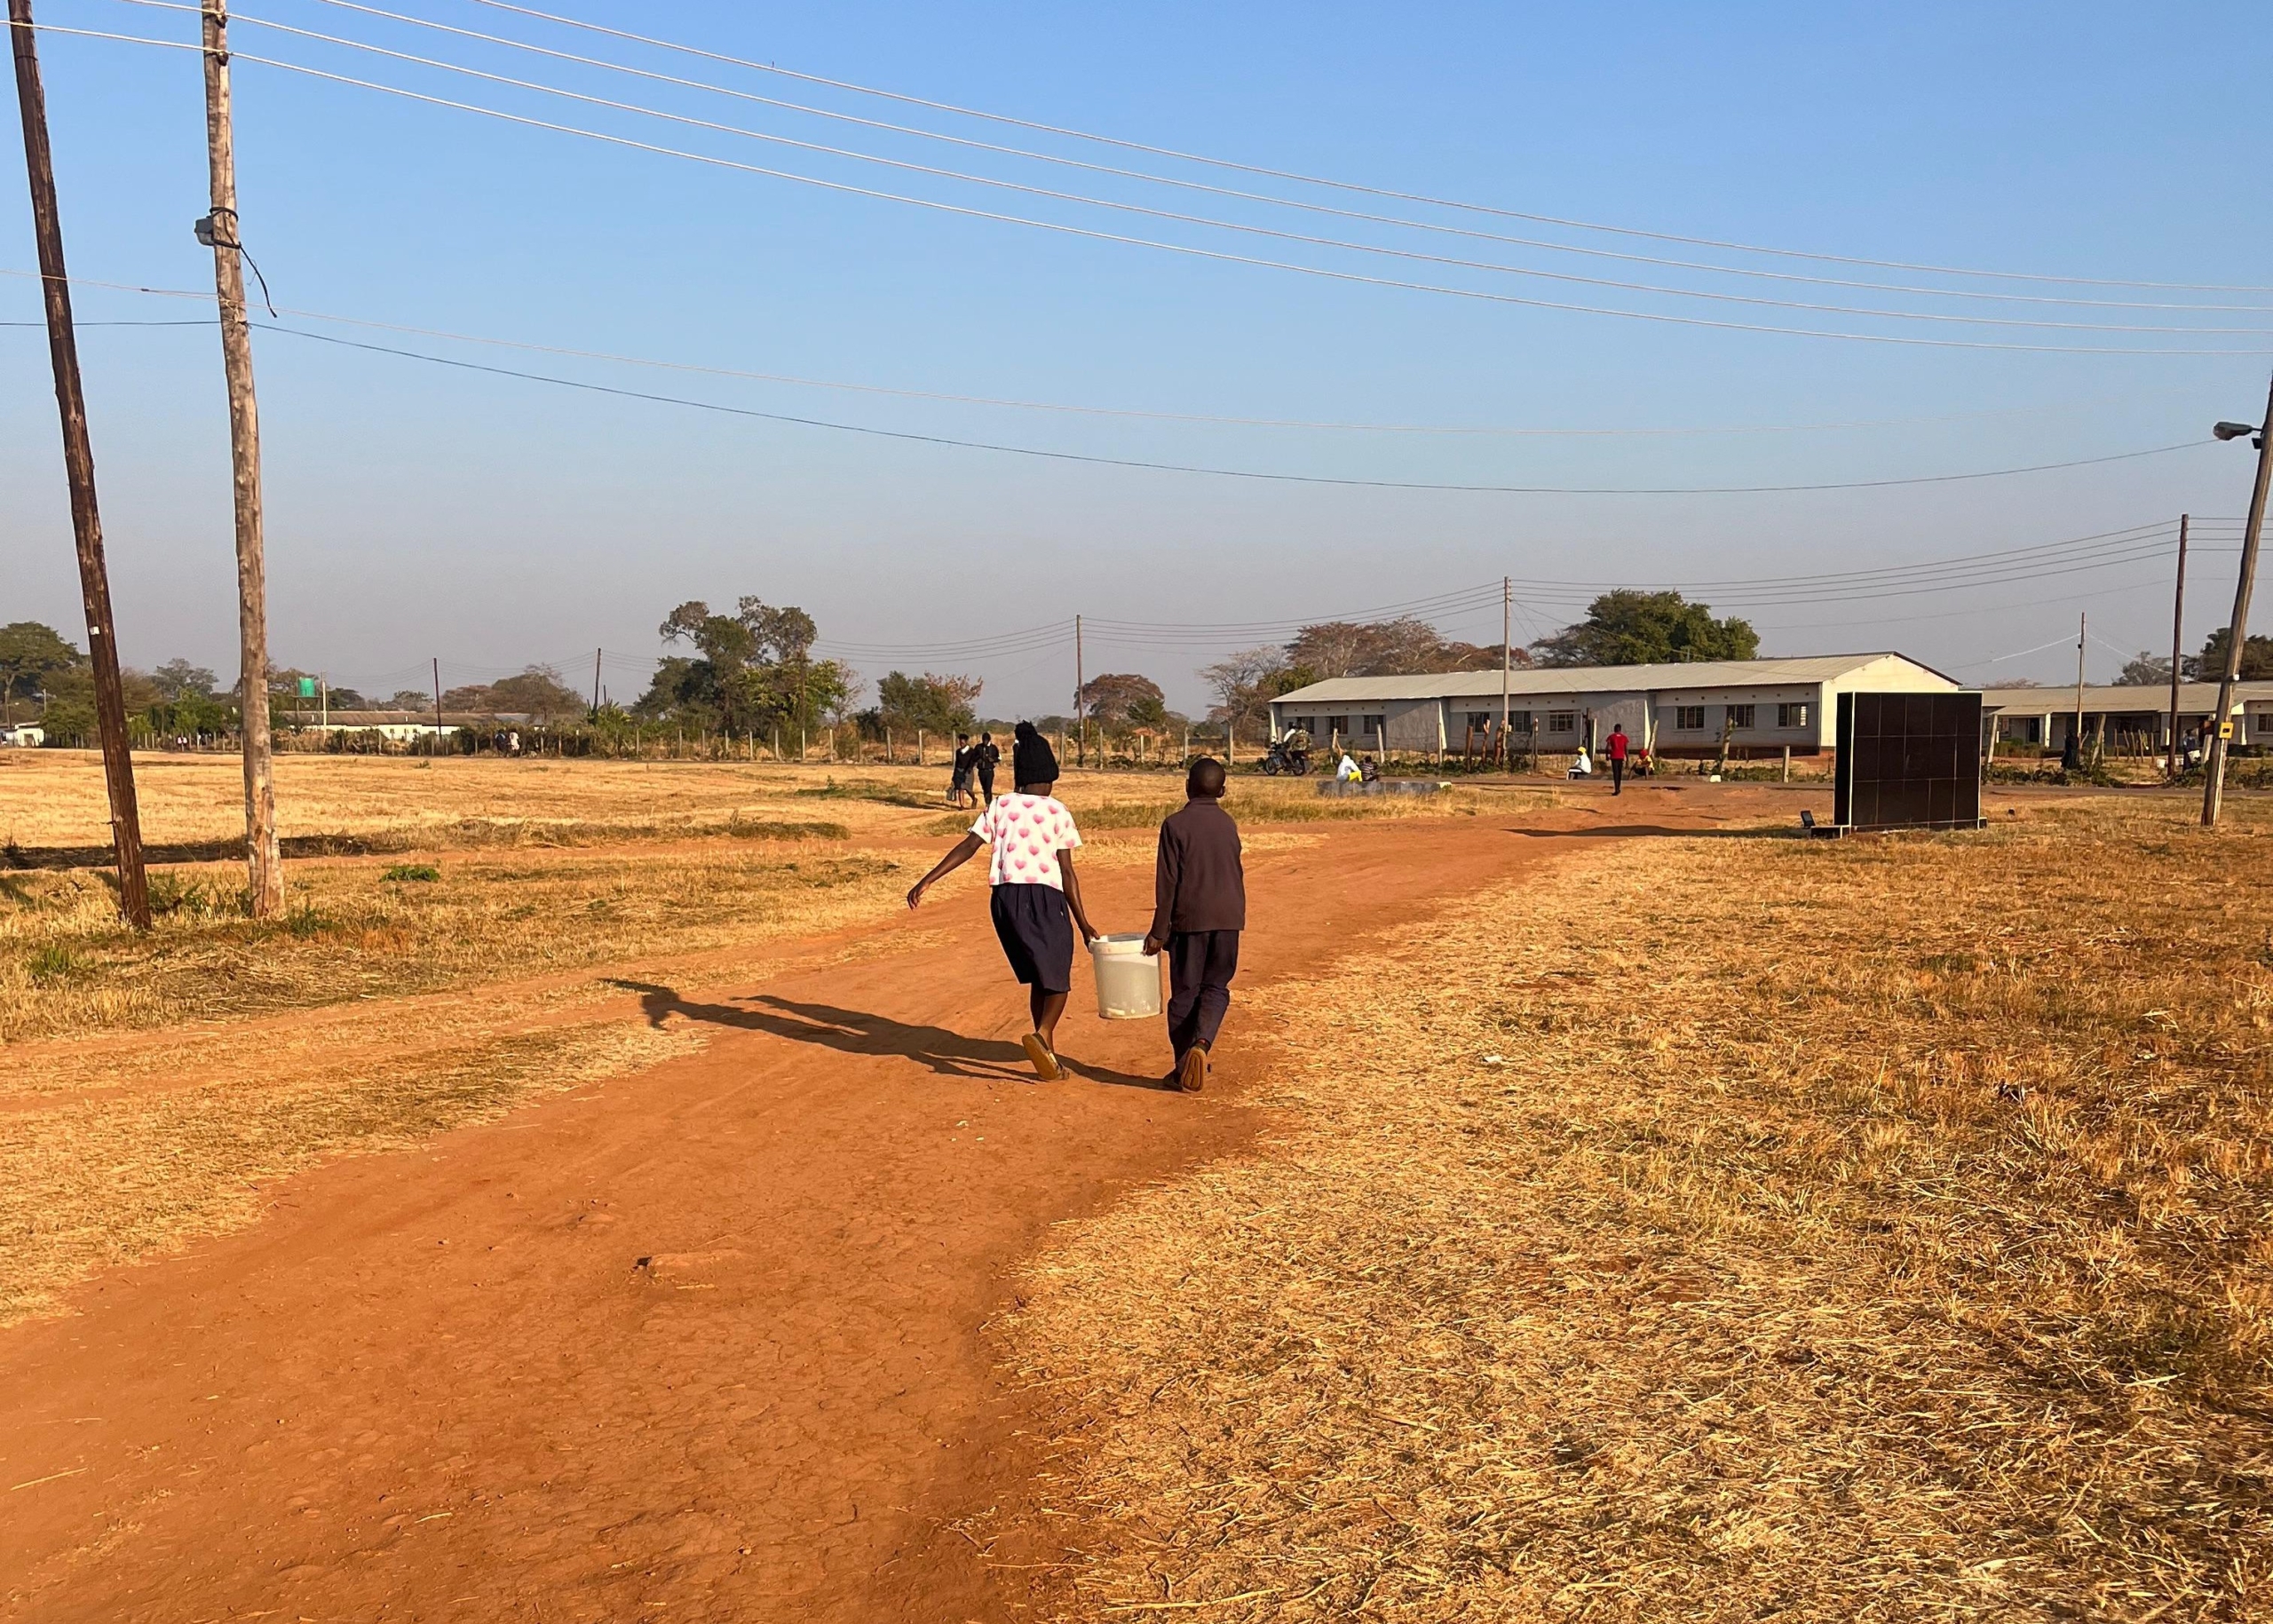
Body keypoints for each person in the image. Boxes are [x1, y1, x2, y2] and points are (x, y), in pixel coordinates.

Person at [907, 722, 1099, 1081]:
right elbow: (1068, 873)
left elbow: (968, 846)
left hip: (1005, 901)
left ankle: (1048, 1054)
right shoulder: (1058, 811)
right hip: (1044, 896)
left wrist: (927, 880)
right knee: (1057, 978)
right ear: (1050, 777)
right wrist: (1083, 923)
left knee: (1040, 976)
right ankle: (1042, 1035)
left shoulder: (1002, 805)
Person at [1144, 757, 1244, 1093]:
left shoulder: (1175, 825)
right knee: (1216, 987)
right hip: (1230, 918)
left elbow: (1168, 882)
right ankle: (1202, 1043)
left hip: (1190, 920)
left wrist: (1159, 931)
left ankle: (1184, 1063)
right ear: (1223, 791)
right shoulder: (1228, 823)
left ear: (1187, 786)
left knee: (1185, 994)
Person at [948, 733, 973, 806]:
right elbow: (957, 763)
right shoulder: (958, 752)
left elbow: (972, 761)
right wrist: (954, 774)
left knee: (968, 789)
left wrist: (969, 768)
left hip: (967, 772)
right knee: (960, 788)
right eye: (960, 742)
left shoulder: (971, 751)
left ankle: (974, 799)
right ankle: (962, 805)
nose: (961, 744)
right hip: (959, 771)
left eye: (962, 742)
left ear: (966, 742)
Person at [974, 730, 1000, 801]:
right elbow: (973, 756)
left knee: (988, 787)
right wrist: (977, 759)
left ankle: (988, 803)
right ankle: (987, 800)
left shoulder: (993, 748)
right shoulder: (978, 747)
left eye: (986, 740)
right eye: (984, 740)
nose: (985, 742)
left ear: (989, 740)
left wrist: (993, 759)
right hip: (981, 771)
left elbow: (999, 757)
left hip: (989, 771)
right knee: (984, 787)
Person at [1606, 725, 1628, 795]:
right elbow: (1626, 749)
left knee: (1615, 773)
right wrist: (1627, 759)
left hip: (1614, 757)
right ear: (1620, 730)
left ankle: (1617, 789)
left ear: (1614, 729)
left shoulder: (1611, 737)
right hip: (1621, 757)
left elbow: (1608, 747)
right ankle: (1619, 788)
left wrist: (1607, 755)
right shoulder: (1624, 737)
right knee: (1620, 773)